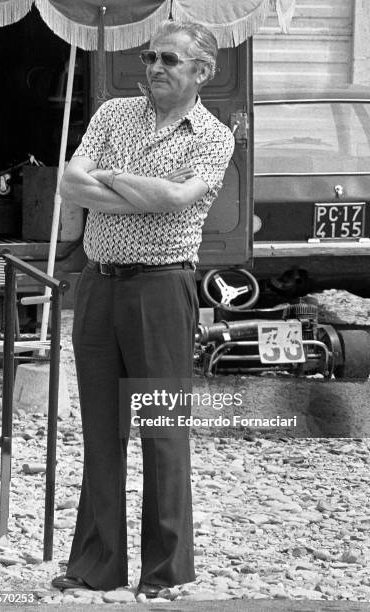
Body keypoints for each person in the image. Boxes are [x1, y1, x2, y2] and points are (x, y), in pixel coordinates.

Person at [51, 19, 235, 599]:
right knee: (101, 430)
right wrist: (135, 184)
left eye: (170, 60)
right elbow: (70, 183)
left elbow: (179, 201)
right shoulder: (111, 115)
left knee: (163, 431)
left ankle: (167, 571)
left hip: (161, 289)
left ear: (201, 71)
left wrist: (109, 181)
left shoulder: (212, 135)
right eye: (151, 57)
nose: (154, 67)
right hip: (98, 287)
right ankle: (96, 565)